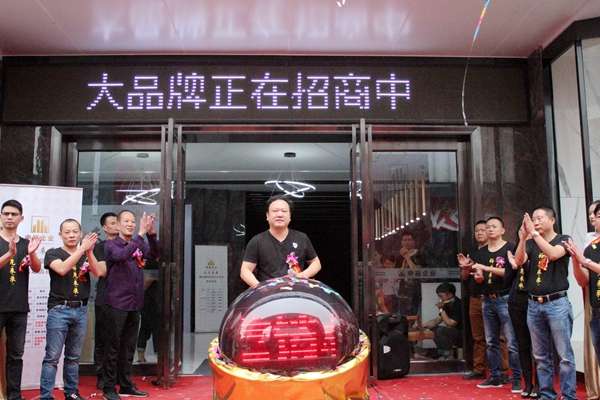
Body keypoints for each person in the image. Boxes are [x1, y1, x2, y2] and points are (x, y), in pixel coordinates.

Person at [514, 206, 577, 400]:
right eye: (533, 219)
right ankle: (546, 395)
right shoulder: (531, 243)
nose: (536, 222)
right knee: (541, 356)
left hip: (557, 304)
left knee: (564, 356)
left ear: (552, 220)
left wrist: (534, 234)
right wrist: (523, 239)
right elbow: (518, 261)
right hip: (534, 305)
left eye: (539, 218)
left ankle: (568, 396)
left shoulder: (563, 239)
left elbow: (553, 254)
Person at [40, 219, 102, 400]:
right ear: (60, 235)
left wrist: (89, 252)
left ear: (81, 234)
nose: (72, 235)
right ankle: (46, 395)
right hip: (60, 309)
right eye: (67, 232)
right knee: (52, 356)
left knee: (74, 357)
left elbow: (98, 272)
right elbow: (61, 269)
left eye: (75, 232)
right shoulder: (53, 253)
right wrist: (82, 249)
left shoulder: (86, 253)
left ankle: (71, 392)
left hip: (81, 310)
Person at [102, 211, 159, 400]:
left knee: (128, 347)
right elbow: (122, 256)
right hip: (116, 303)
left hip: (134, 303)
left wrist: (151, 234)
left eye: (133, 221)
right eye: (126, 221)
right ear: (117, 225)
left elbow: (155, 254)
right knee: (112, 348)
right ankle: (109, 388)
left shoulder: (138, 243)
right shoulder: (111, 245)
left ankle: (126, 385)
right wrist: (140, 234)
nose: (130, 224)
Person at [470, 217, 521, 393]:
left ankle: (516, 378)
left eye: (494, 227)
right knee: (491, 341)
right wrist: (478, 276)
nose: (490, 229)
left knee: (511, 341)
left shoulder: (510, 248)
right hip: (487, 299)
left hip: (505, 298)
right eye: (488, 227)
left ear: (503, 230)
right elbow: (479, 275)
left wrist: (487, 268)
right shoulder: (482, 252)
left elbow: (510, 272)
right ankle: (495, 376)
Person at [0, 199, 42, 400]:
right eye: (6, 213)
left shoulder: (26, 243)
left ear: (21, 218)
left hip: (19, 307)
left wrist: (32, 254)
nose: (10, 217)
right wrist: (9, 254)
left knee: (16, 355)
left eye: (14, 214)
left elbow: (37, 268)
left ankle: (14, 394)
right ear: (1, 217)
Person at [458, 220, 510, 382]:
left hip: (498, 297)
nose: (480, 233)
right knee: (479, 337)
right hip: (476, 298)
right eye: (477, 230)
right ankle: (479, 369)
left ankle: (504, 371)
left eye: (484, 229)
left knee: (500, 337)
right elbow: (465, 277)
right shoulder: (474, 252)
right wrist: (467, 268)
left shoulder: (504, 249)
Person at [240, 195, 321, 286]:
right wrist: (261, 288)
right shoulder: (257, 241)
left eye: (284, 211)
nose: (279, 214)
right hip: (269, 292)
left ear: (290, 216)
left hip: (296, 290)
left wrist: (305, 274)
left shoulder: (301, 238)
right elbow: (245, 270)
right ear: (267, 215)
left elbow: (316, 262)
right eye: (275, 211)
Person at [565, 202, 600, 400]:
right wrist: (575, 260)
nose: (595, 218)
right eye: (595, 215)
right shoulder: (592, 246)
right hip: (596, 309)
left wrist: (584, 260)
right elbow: (583, 281)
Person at [505, 227, 538, 398]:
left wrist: (523, 264)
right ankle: (528, 384)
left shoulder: (539, 250)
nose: (524, 234)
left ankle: (539, 384)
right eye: (520, 231)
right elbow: (506, 280)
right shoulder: (514, 252)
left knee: (538, 346)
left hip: (534, 300)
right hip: (516, 301)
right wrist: (513, 267)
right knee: (522, 344)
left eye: (528, 231)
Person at [93, 212, 118, 390]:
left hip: (124, 299)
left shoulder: (129, 245)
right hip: (104, 297)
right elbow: (102, 272)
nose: (116, 225)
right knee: (103, 339)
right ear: (104, 228)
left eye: (118, 222)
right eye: (112, 223)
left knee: (120, 340)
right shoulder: (100, 247)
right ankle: (101, 375)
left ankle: (118, 375)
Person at [583, 200, 600, 399]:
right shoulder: (590, 242)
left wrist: (585, 261)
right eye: (590, 214)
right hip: (594, 298)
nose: (592, 217)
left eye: (596, 213)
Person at [421, 282, 462, 359]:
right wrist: (422, 326)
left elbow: (450, 324)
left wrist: (441, 309)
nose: (439, 299)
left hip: (463, 335)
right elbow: (436, 321)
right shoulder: (446, 306)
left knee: (441, 331)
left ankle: (450, 356)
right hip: (455, 333)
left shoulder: (458, 305)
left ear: (450, 295)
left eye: (441, 296)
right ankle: (442, 353)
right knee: (434, 329)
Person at [395, 231, 422, 316]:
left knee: (414, 315)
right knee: (403, 317)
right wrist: (403, 268)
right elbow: (396, 278)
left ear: (413, 242)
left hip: (415, 291)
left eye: (409, 240)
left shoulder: (418, 254)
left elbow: (417, 272)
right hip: (403, 292)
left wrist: (407, 256)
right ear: (401, 242)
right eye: (404, 240)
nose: (407, 242)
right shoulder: (399, 257)